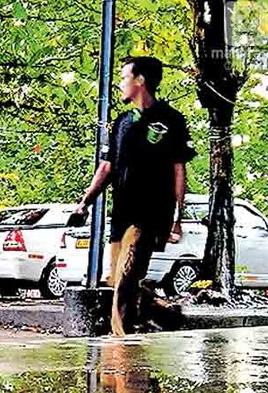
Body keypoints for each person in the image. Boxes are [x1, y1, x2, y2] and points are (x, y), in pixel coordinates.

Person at [74, 56, 196, 336]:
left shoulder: (172, 120)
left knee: (125, 281)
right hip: (122, 213)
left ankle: (123, 344)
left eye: (124, 77)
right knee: (115, 278)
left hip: (152, 214)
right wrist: (85, 203)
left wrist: (178, 218)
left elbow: (179, 170)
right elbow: (106, 167)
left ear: (140, 80)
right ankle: (159, 310)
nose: (120, 83)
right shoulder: (121, 122)